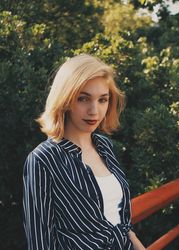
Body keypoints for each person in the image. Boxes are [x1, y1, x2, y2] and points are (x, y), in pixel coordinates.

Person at [23, 54, 146, 250]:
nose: (94, 111)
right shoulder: (43, 159)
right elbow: (41, 241)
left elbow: (120, 221)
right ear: (65, 99)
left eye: (103, 100)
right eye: (83, 98)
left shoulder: (104, 146)